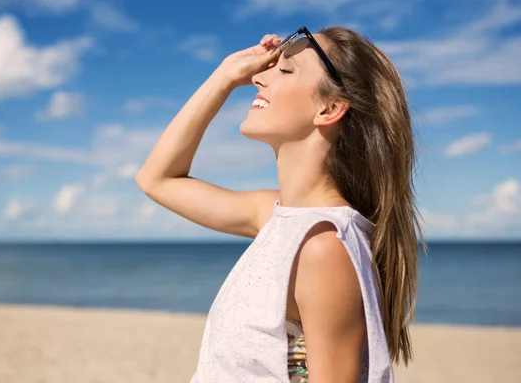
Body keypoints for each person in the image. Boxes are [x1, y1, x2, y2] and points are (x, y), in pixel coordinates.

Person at [135, 26, 426, 383]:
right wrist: (224, 77)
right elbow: (157, 179)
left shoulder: (323, 248)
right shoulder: (277, 217)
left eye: (286, 70)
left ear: (330, 108)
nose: (257, 77)